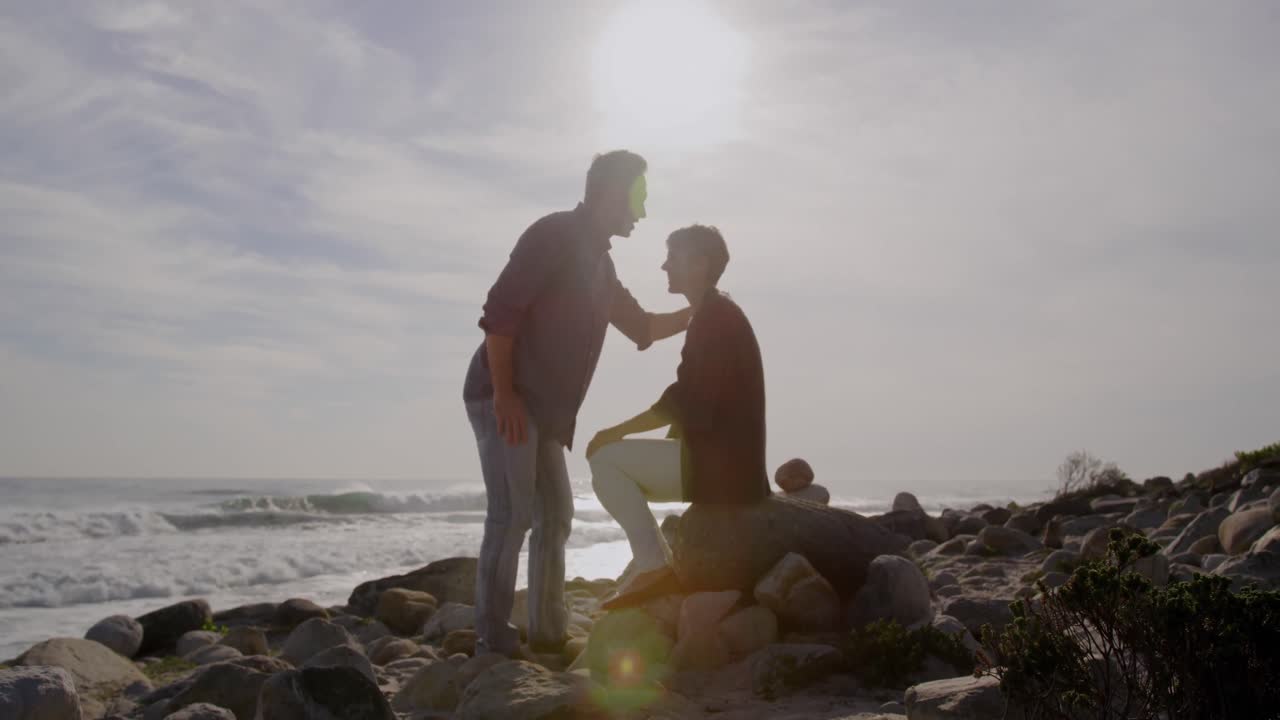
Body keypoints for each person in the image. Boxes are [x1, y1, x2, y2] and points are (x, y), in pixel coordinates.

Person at [463, 150, 692, 657]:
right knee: (512, 513)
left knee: (557, 514)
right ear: (611, 193)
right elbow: (500, 313)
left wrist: (697, 312)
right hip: (505, 398)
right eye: (638, 199)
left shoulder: (601, 267)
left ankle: (547, 633)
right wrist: (504, 394)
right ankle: (492, 641)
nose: (642, 213)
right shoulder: (554, 235)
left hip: (545, 414)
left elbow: (641, 326)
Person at [585, 224, 769, 610]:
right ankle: (657, 564)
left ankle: (655, 566)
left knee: (604, 459)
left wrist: (614, 431)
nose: (664, 266)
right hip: (728, 466)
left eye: (673, 257)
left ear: (700, 263)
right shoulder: (714, 312)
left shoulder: (715, 318)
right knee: (616, 458)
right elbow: (696, 401)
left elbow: (681, 401)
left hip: (721, 470)